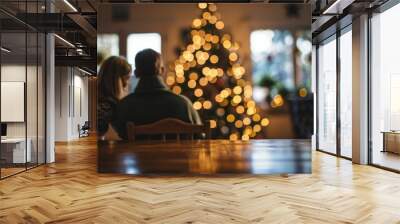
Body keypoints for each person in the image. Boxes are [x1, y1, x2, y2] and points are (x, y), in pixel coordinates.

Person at [112, 48, 202, 139]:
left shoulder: (124, 106)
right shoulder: (184, 104)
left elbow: (121, 136)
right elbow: (199, 136)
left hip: (140, 154)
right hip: (178, 153)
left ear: (136, 72)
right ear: (162, 70)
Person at [97, 56, 132, 137]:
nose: (128, 84)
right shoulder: (109, 108)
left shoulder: (94, 100)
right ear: (118, 81)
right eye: (127, 78)